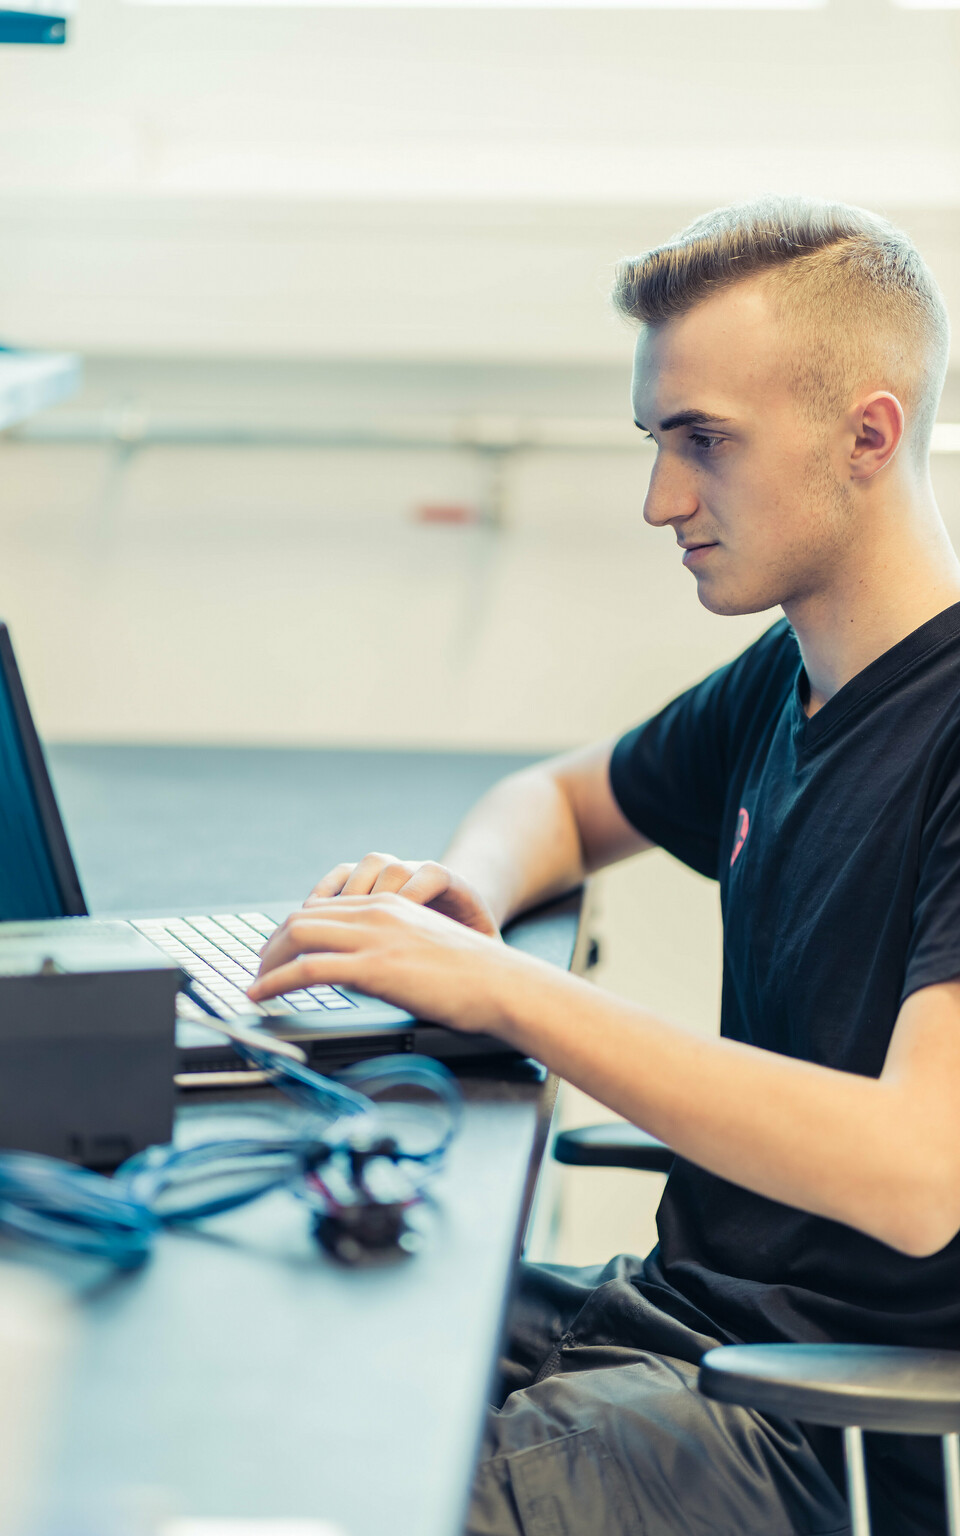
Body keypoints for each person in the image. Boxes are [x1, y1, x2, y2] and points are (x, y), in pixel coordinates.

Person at [249, 198, 960, 1536]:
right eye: (657, 441)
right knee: (266, 1344)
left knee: (336, 1498)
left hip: (807, 1424)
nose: (661, 500)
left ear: (870, 433)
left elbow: (922, 1176)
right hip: (665, 1326)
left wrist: (506, 992)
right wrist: (464, 896)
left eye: (706, 444)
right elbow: (560, 801)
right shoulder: (793, 679)